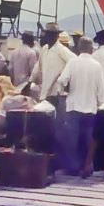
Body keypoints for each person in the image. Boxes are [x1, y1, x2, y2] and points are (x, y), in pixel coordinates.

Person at [56, 37, 104, 177]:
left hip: (73, 105)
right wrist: (101, 104)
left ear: (79, 48)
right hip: (90, 107)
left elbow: (62, 80)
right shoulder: (97, 65)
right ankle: (88, 165)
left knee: (72, 139)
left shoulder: (73, 62)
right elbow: (101, 89)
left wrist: (62, 91)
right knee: (88, 139)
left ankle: (73, 167)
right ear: (91, 49)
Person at [30, 23, 76, 170]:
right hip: (45, 93)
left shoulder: (61, 50)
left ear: (55, 36)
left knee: (60, 129)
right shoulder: (44, 49)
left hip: (57, 94)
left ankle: (62, 163)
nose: (46, 36)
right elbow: (38, 68)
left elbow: (74, 61)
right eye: (46, 33)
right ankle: (47, 159)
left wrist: (63, 80)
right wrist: (30, 82)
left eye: (50, 34)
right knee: (47, 128)